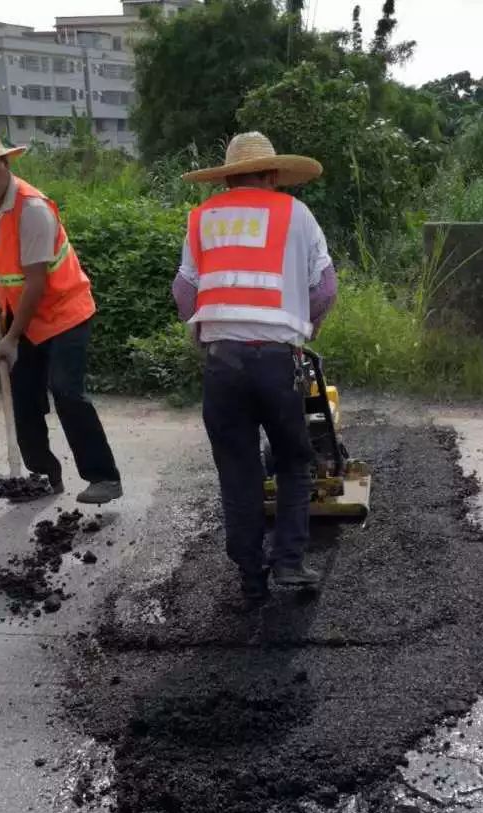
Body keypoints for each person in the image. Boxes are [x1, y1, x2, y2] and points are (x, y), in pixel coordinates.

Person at [171, 132, 338, 604]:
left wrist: (207, 331)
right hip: (275, 361)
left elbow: (184, 294)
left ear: (229, 177)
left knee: (238, 470)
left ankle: (249, 574)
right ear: (271, 174)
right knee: (292, 459)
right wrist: (306, 327)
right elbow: (325, 288)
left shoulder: (203, 218)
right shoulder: (295, 214)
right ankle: (289, 563)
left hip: (222, 364)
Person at [0, 118, 123, 505]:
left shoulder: (32, 209)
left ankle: (103, 477)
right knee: (22, 396)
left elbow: (36, 283)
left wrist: (10, 338)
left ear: (6, 163)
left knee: (65, 390)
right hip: (19, 312)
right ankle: (43, 475)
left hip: (64, 311)